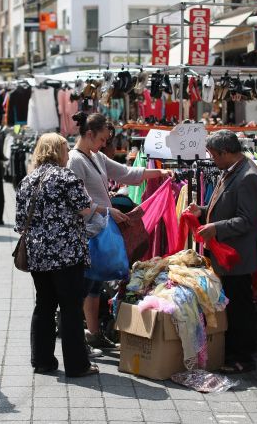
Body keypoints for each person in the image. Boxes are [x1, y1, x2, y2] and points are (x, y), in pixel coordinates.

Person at [67, 112, 171, 350]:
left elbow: (126, 173)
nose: (105, 143)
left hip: (98, 231)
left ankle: (93, 334)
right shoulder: (75, 160)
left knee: (93, 285)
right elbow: (76, 201)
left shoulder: (96, 157)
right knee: (82, 287)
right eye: (102, 138)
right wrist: (107, 210)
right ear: (90, 134)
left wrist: (159, 173)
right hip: (86, 232)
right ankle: (75, 340)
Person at [15, 133, 104, 377]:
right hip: (66, 254)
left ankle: (42, 361)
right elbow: (85, 209)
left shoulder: (28, 180)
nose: (68, 155)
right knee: (70, 308)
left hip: (38, 255)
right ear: (58, 152)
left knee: (43, 305)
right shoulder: (66, 177)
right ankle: (77, 365)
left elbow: (20, 222)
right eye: (65, 150)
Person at [185, 130, 257, 374]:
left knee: (240, 307)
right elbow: (224, 204)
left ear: (225, 153)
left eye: (213, 155)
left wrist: (215, 228)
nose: (212, 160)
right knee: (231, 305)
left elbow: (247, 220)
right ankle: (231, 353)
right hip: (225, 254)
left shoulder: (249, 175)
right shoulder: (229, 170)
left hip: (237, 256)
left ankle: (243, 358)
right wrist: (203, 209)